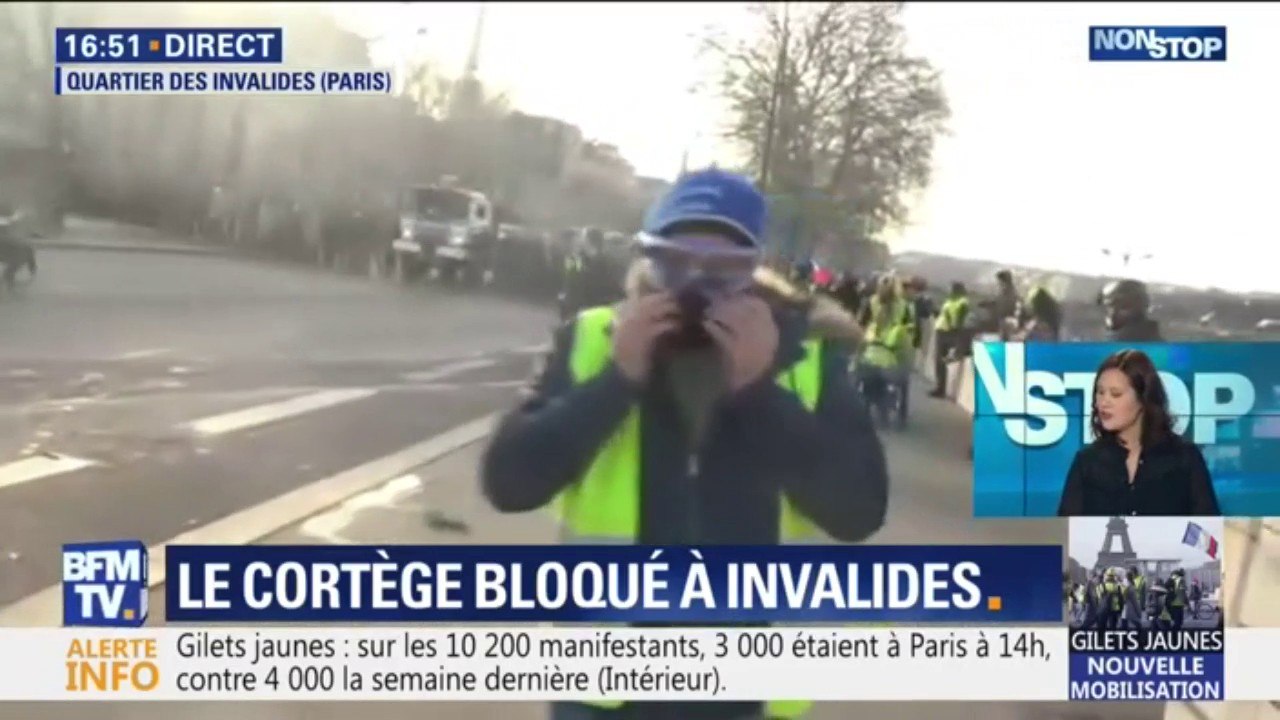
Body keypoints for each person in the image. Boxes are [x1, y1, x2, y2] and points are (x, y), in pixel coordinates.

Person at [480, 167, 888, 720]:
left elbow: (857, 511)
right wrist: (616, 381)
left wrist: (758, 391)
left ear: (753, 271)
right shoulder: (594, 339)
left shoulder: (810, 358)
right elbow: (509, 483)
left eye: (721, 271)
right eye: (674, 262)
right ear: (648, 259)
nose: (694, 285)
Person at [1057, 349, 1221, 516]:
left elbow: (1207, 532)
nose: (1103, 402)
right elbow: (1065, 534)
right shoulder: (1087, 463)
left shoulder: (1185, 458)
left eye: (1116, 394)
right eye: (1100, 392)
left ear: (1143, 398)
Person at [856, 275, 915, 427]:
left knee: (862, 377)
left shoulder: (870, 302)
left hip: (871, 351)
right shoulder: (904, 306)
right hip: (893, 353)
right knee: (903, 380)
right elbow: (911, 330)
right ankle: (900, 415)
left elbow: (860, 325)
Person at [558, 228, 619, 321]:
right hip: (577, 308)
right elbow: (572, 277)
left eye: (582, 237)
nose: (579, 240)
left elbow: (605, 286)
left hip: (592, 309)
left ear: (588, 241)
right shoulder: (582, 258)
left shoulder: (602, 262)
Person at [929, 282, 970, 398]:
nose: (949, 291)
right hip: (942, 329)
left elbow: (960, 320)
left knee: (941, 360)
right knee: (939, 361)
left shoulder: (962, 302)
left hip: (949, 332)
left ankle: (941, 389)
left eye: (951, 289)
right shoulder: (950, 301)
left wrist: (955, 331)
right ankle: (940, 387)